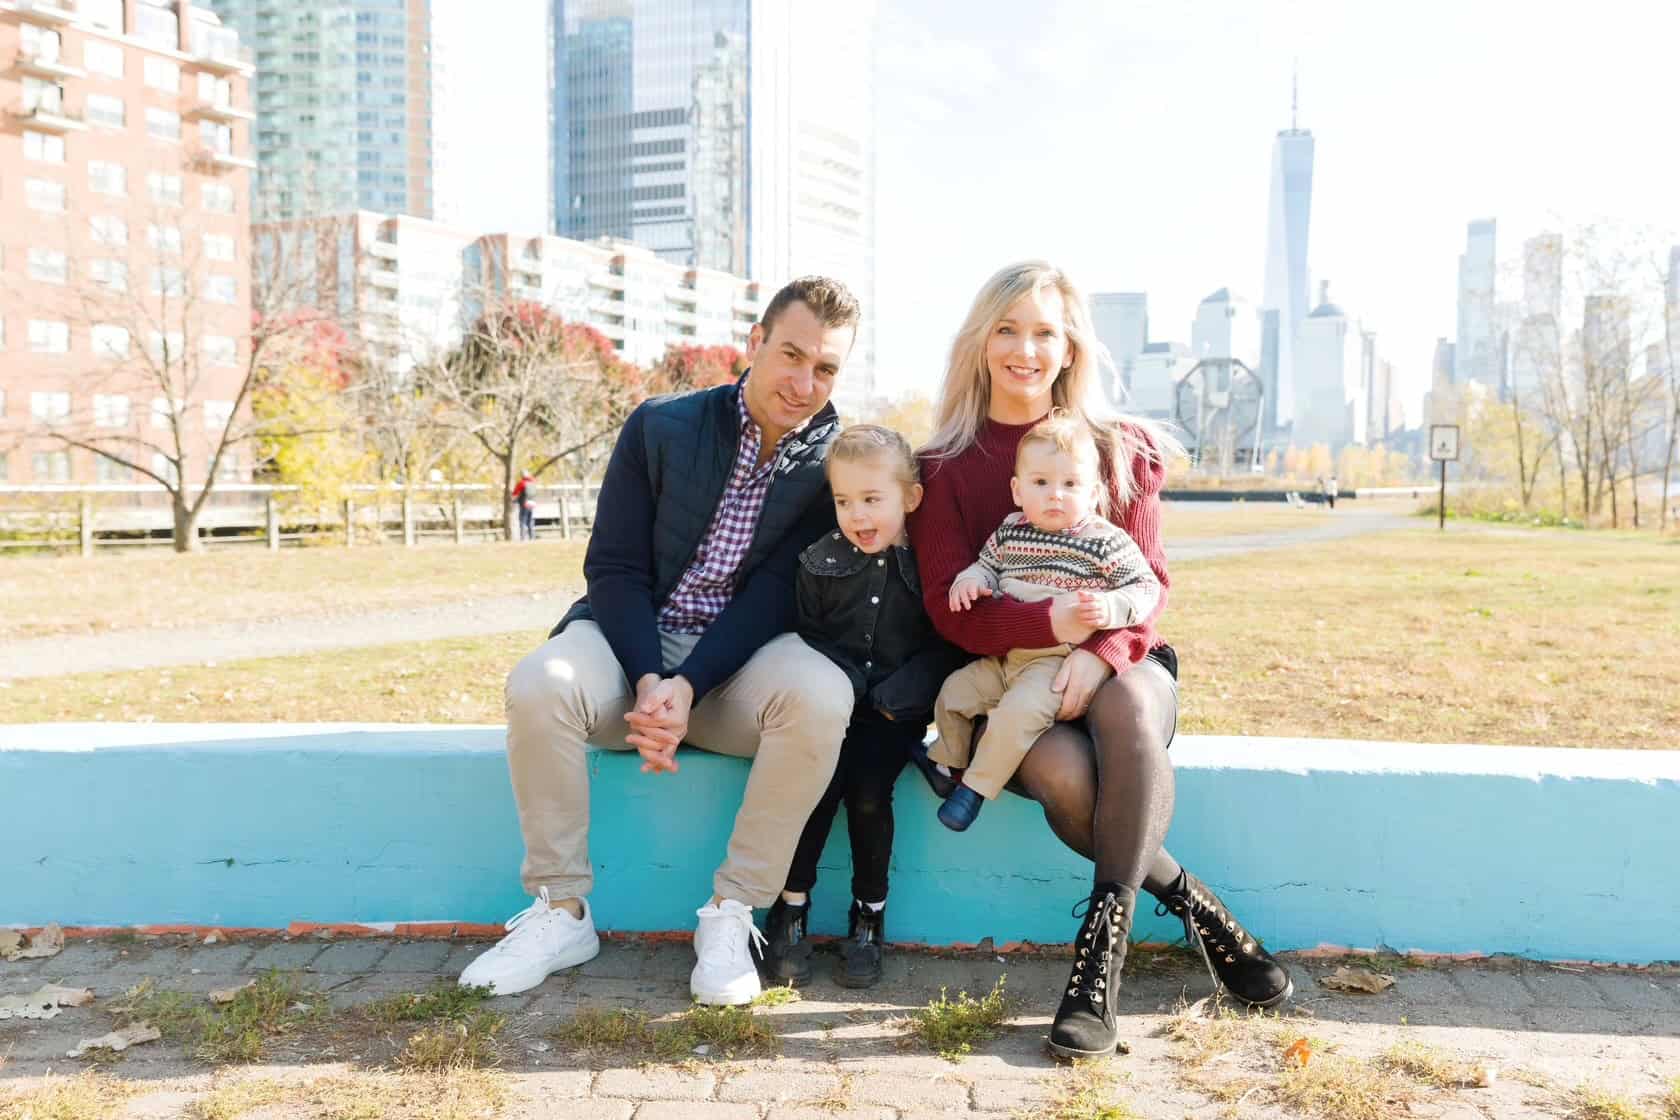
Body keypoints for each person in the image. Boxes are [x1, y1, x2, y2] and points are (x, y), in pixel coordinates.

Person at [909, 261, 1292, 1060]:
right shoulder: (946, 465)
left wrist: (1100, 654)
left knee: (1127, 706)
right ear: (980, 343)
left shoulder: (1122, 448)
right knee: (1065, 779)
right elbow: (950, 609)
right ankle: (1203, 915)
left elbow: (1148, 586)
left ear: (1072, 343)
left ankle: (1098, 965)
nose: (1026, 349)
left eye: (1045, 330)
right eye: (1008, 330)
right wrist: (1048, 620)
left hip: (1125, 662)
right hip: (1014, 675)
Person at [461, 277, 862, 1006]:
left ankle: (733, 916)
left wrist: (689, 683)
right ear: (755, 344)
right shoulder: (661, 425)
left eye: (827, 368)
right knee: (539, 682)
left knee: (823, 693)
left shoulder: (836, 460)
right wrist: (650, 676)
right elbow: (613, 566)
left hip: (734, 671)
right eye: (792, 355)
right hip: (626, 648)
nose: (805, 383)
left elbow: (776, 594)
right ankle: (561, 913)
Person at [759, 426, 968, 989]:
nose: (858, 514)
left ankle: (868, 917)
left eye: (872, 499)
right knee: (816, 794)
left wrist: (907, 691)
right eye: (844, 500)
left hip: (892, 717)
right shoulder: (819, 562)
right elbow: (805, 638)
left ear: (911, 499)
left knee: (871, 797)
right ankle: (790, 909)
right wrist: (846, 684)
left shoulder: (930, 567)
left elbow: (946, 641)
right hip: (830, 709)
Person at [932, 411, 1161, 832]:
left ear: (1093, 493)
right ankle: (947, 764)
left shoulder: (1103, 540)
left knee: (1015, 716)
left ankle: (974, 791)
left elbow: (1146, 587)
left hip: (1055, 665)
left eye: (1070, 485)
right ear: (1018, 491)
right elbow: (986, 566)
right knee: (954, 694)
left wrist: (1111, 608)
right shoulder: (1010, 532)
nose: (1055, 495)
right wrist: (972, 580)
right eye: (1041, 483)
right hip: (1007, 659)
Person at [512, 472, 536, 540]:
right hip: (532, 503)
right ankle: (532, 537)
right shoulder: (533, 483)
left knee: (522, 520)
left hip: (524, 503)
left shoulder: (521, 483)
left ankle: (523, 537)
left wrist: (514, 500)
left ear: (522, 476)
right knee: (530, 520)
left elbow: (515, 493)